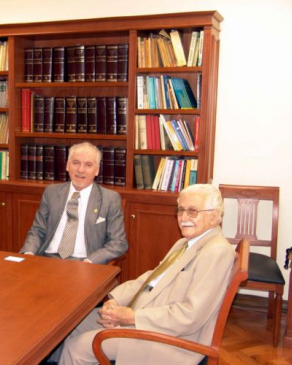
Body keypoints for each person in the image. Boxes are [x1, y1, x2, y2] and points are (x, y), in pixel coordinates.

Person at [58, 184, 235, 365]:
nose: (183, 218)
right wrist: (116, 301)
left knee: (78, 349)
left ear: (214, 216)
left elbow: (191, 316)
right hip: (144, 316)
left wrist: (131, 318)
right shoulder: (185, 242)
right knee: (74, 324)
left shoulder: (216, 251)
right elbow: (152, 277)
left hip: (169, 339)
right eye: (181, 210)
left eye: (192, 211)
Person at [19, 142, 127, 264]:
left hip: (84, 263)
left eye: (88, 165)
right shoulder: (51, 192)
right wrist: (28, 253)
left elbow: (118, 243)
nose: (80, 170)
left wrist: (91, 261)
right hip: (47, 259)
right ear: (67, 166)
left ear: (96, 170)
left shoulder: (110, 199)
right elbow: (37, 230)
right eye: (76, 163)